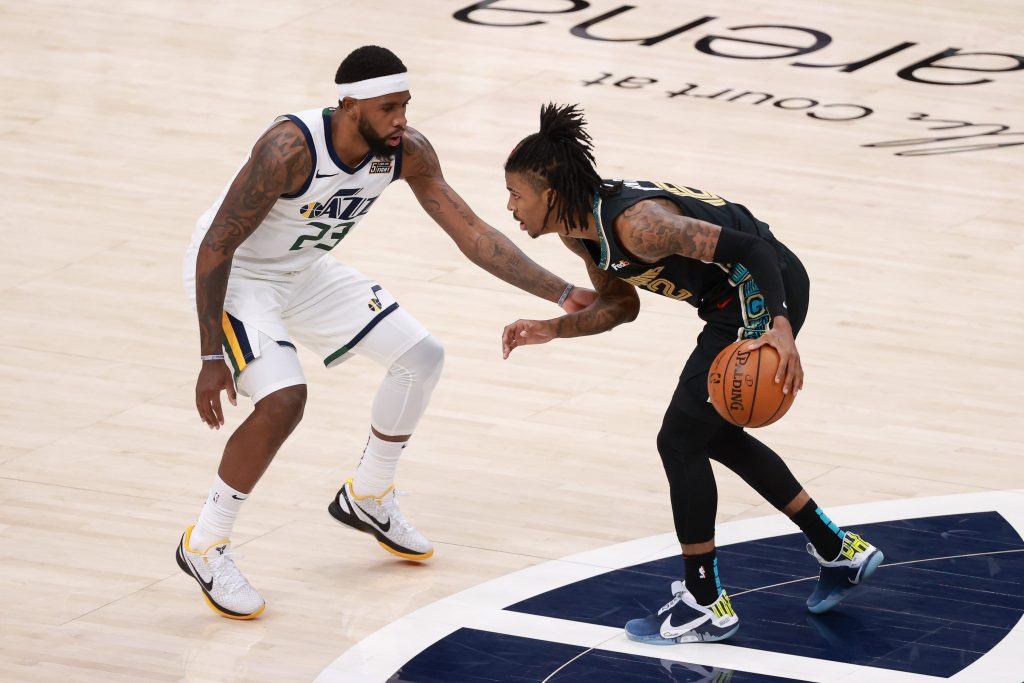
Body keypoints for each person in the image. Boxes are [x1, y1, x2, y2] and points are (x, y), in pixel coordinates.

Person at [176, 48, 593, 620]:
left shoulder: (406, 152)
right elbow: (216, 245)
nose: (402, 119)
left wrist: (561, 292)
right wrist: (208, 355)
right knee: (284, 399)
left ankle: (368, 495)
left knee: (421, 356)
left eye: (406, 106)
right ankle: (205, 542)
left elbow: (471, 232)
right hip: (239, 276)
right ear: (349, 107)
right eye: (389, 107)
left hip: (302, 271)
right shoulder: (288, 150)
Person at [500, 103, 884, 644]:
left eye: (517, 194)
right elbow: (620, 306)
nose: (510, 206)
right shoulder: (579, 231)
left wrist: (778, 326)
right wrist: (552, 328)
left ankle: (707, 603)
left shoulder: (640, 226)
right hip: (727, 302)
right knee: (714, 432)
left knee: (678, 440)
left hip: (759, 288)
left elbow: (752, 249)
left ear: (551, 195)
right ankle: (837, 549)